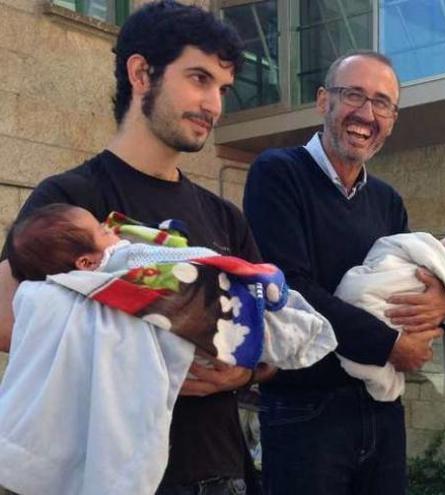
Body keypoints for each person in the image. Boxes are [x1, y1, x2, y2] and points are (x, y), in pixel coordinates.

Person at [0, 2, 261, 492]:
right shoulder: (69, 200)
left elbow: (266, 334)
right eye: (199, 79)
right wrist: (137, 348)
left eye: (222, 89)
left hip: (217, 471)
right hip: (106, 472)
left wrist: (240, 373)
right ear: (141, 73)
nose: (215, 105)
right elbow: (6, 320)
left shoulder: (224, 216)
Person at [243, 50, 445, 494]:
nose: (366, 113)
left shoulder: (387, 200)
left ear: (393, 119)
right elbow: (291, 290)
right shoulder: (278, 173)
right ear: (324, 101)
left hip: (381, 407)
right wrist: (391, 345)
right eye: (353, 95)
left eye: (382, 103)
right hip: (306, 408)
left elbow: (408, 275)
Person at [6, 203, 337, 371]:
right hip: (205, 338)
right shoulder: (121, 258)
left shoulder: (220, 211)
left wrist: (244, 374)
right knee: (273, 327)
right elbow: (186, 260)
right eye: (102, 232)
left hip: (218, 449)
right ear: (86, 264)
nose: (112, 231)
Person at [333, 232, 445, 402]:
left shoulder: (391, 206)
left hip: (350, 334)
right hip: (355, 304)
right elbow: (390, 253)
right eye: (443, 248)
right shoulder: (416, 249)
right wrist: (389, 343)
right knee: (359, 294)